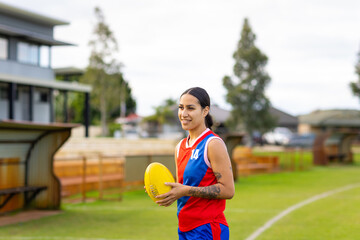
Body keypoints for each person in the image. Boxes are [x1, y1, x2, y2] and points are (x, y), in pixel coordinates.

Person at [156, 87, 235, 240]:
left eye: (190, 108)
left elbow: (228, 190)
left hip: (208, 228)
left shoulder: (212, 144)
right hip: (185, 227)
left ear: (205, 111)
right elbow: (184, 185)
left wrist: (186, 190)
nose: (183, 114)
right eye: (181, 107)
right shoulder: (180, 147)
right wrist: (160, 188)